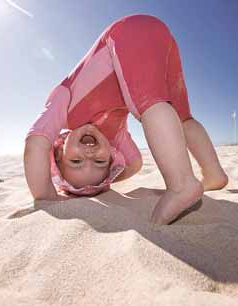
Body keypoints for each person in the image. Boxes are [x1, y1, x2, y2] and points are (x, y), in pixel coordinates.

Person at [24, 14, 228, 225]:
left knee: (148, 103)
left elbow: (35, 142)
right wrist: (106, 181)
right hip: (162, 39)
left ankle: (181, 183)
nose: (89, 154)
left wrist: (46, 195)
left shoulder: (64, 109)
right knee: (182, 117)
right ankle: (213, 173)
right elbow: (134, 164)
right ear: (112, 155)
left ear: (57, 153)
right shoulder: (115, 136)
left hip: (125, 34)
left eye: (76, 161)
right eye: (100, 161)